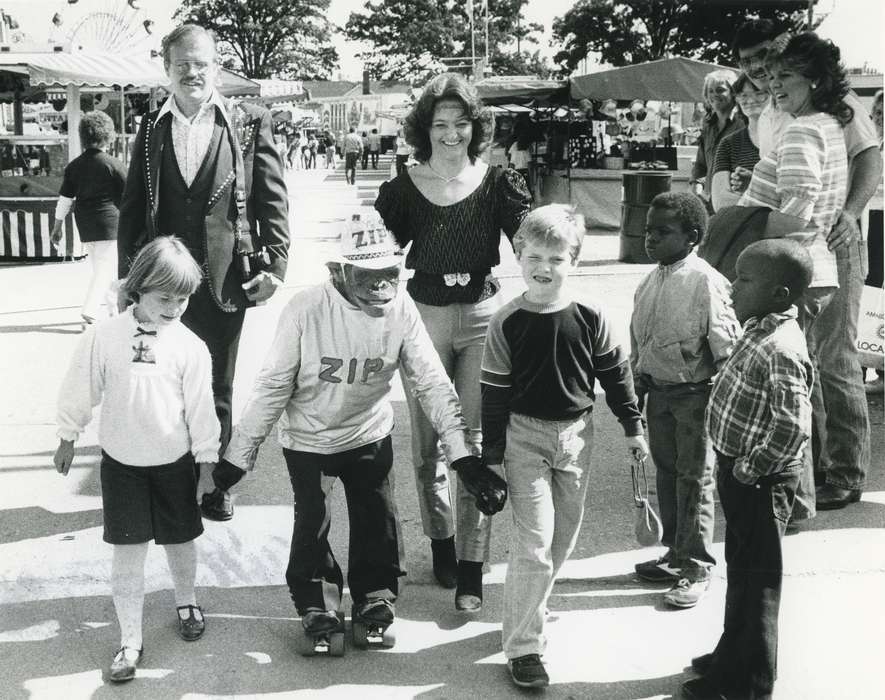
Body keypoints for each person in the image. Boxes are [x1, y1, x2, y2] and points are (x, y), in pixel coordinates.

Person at [209, 222, 506, 644]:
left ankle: (376, 595)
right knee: (312, 520)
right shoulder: (306, 309)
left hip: (369, 430)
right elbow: (273, 386)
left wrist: (463, 457)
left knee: (376, 516)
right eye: (367, 277)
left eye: (390, 275)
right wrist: (237, 458)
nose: (381, 288)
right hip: (310, 437)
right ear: (338, 272)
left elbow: (432, 382)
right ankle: (316, 600)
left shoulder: (401, 308)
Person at [116, 23, 290, 522]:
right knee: (163, 385)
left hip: (225, 281)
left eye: (202, 63)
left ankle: (219, 485)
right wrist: (129, 279)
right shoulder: (150, 130)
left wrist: (275, 263)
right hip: (163, 284)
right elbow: (133, 209)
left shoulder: (249, 121)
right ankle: (175, 483)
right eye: (182, 64)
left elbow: (271, 200)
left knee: (217, 385)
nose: (193, 73)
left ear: (215, 66)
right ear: (166, 69)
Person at [375, 72, 532, 610]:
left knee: (478, 441)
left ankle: (471, 565)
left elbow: (530, 238)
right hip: (423, 316)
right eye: (440, 124)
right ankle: (441, 540)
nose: (450, 134)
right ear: (425, 129)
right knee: (427, 447)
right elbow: (372, 249)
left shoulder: (497, 182)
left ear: (475, 127)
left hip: (482, 317)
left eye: (460, 124)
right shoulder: (403, 185)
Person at [480, 204, 648, 688]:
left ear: (574, 259)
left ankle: (524, 610)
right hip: (523, 437)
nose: (544, 268)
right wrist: (491, 455)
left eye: (556, 258)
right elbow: (493, 393)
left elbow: (616, 377)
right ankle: (524, 647)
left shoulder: (591, 314)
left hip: (577, 437)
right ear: (517, 254)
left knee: (561, 541)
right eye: (533, 256)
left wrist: (633, 428)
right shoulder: (506, 321)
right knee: (533, 544)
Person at [54, 237, 220, 683]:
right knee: (128, 553)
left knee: (180, 542)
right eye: (165, 297)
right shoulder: (105, 337)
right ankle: (130, 639)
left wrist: (206, 465)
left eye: (183, 298)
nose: (175, 307)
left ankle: (186, 600)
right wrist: (68, 434)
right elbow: (80, 385)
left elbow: (202, 410)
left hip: (172, 463)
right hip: (122, 464)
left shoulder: (190, 347)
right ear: (138, 288)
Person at [734, 23, 882, 511]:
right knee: (800, 361)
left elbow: (869, 159)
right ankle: (811, 469)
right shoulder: (770, 111)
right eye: (749, 64)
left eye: (764, 59)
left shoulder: (834, 107)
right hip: (800, 242)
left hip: (830, 241)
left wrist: (850, 212)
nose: (758, 72)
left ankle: (845, 471)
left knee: (835, 359)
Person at [682, 239, 814, 700]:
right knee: (740, 572)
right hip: (739, 474)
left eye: (745, 279)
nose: (734, 286)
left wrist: (752, 466)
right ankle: (730, 656)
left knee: (758, 585)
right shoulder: (758, 328)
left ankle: (748, 684)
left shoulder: (782, 346)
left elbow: (793, 425)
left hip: (760, 481)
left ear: (780, 294)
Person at [631, 193, 740, 608]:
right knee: (667, 472)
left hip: (696, 396)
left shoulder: (704, 281)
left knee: (696, 479)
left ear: (691, 237)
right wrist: (637, 380)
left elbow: (726, 345)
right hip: (658, 395)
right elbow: (638, 338)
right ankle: (676, 553)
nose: (652, 240)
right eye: (648, 232)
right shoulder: (649, 280)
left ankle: (697, 565)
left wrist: (724, 399)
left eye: (663, 232)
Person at [50, 111, 127, 328]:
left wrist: (57, 226)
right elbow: (130, 197)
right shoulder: (114, 164)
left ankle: (113, 314)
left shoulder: (74, 166)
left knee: (102, 268)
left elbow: (64, 200)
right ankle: (91, 311)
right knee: (105, 269)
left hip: (84, 223)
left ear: (82, 136)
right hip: (110, 223)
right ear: (108, 136)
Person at [710, 73, 767, 212]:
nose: (751, 100)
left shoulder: (788, 138)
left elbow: (795, 200)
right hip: (743, 231)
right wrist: (766, 198)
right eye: (743, 95)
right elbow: (720, 203)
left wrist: (750, 188)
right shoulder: (729, 144)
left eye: (758, 93)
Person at [690, 69, 744, 210]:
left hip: (733, 202)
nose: (714, 95)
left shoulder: (744, 123)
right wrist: (696, 184)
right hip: (708, 201)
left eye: (720, 90)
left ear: (733, 92)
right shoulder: (708, 125)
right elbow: (701, 163)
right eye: (710, 91)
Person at [864, 89, 883, 393]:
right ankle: (866, 364)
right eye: (877, 114)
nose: (879, 119)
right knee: (870, 294)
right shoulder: (873, 144)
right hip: (873, 220)